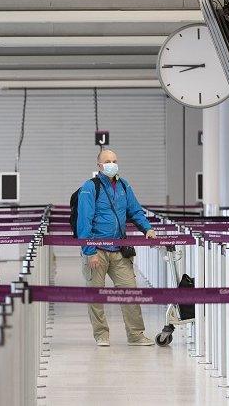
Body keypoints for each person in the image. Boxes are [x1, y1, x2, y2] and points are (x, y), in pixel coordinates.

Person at [76, 148, 156, 347]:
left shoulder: (124, 185)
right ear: (99, 166)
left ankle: (136, 335)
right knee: (95, 295)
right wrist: (89, 250)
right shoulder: (89, 187)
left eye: (114, 160)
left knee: (130, 291)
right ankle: (101, 335)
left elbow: (135, 211)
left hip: (119, 248)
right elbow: (83, 221)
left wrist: (148, 229)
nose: (112, 164)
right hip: (96, 249)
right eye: (108, 161)